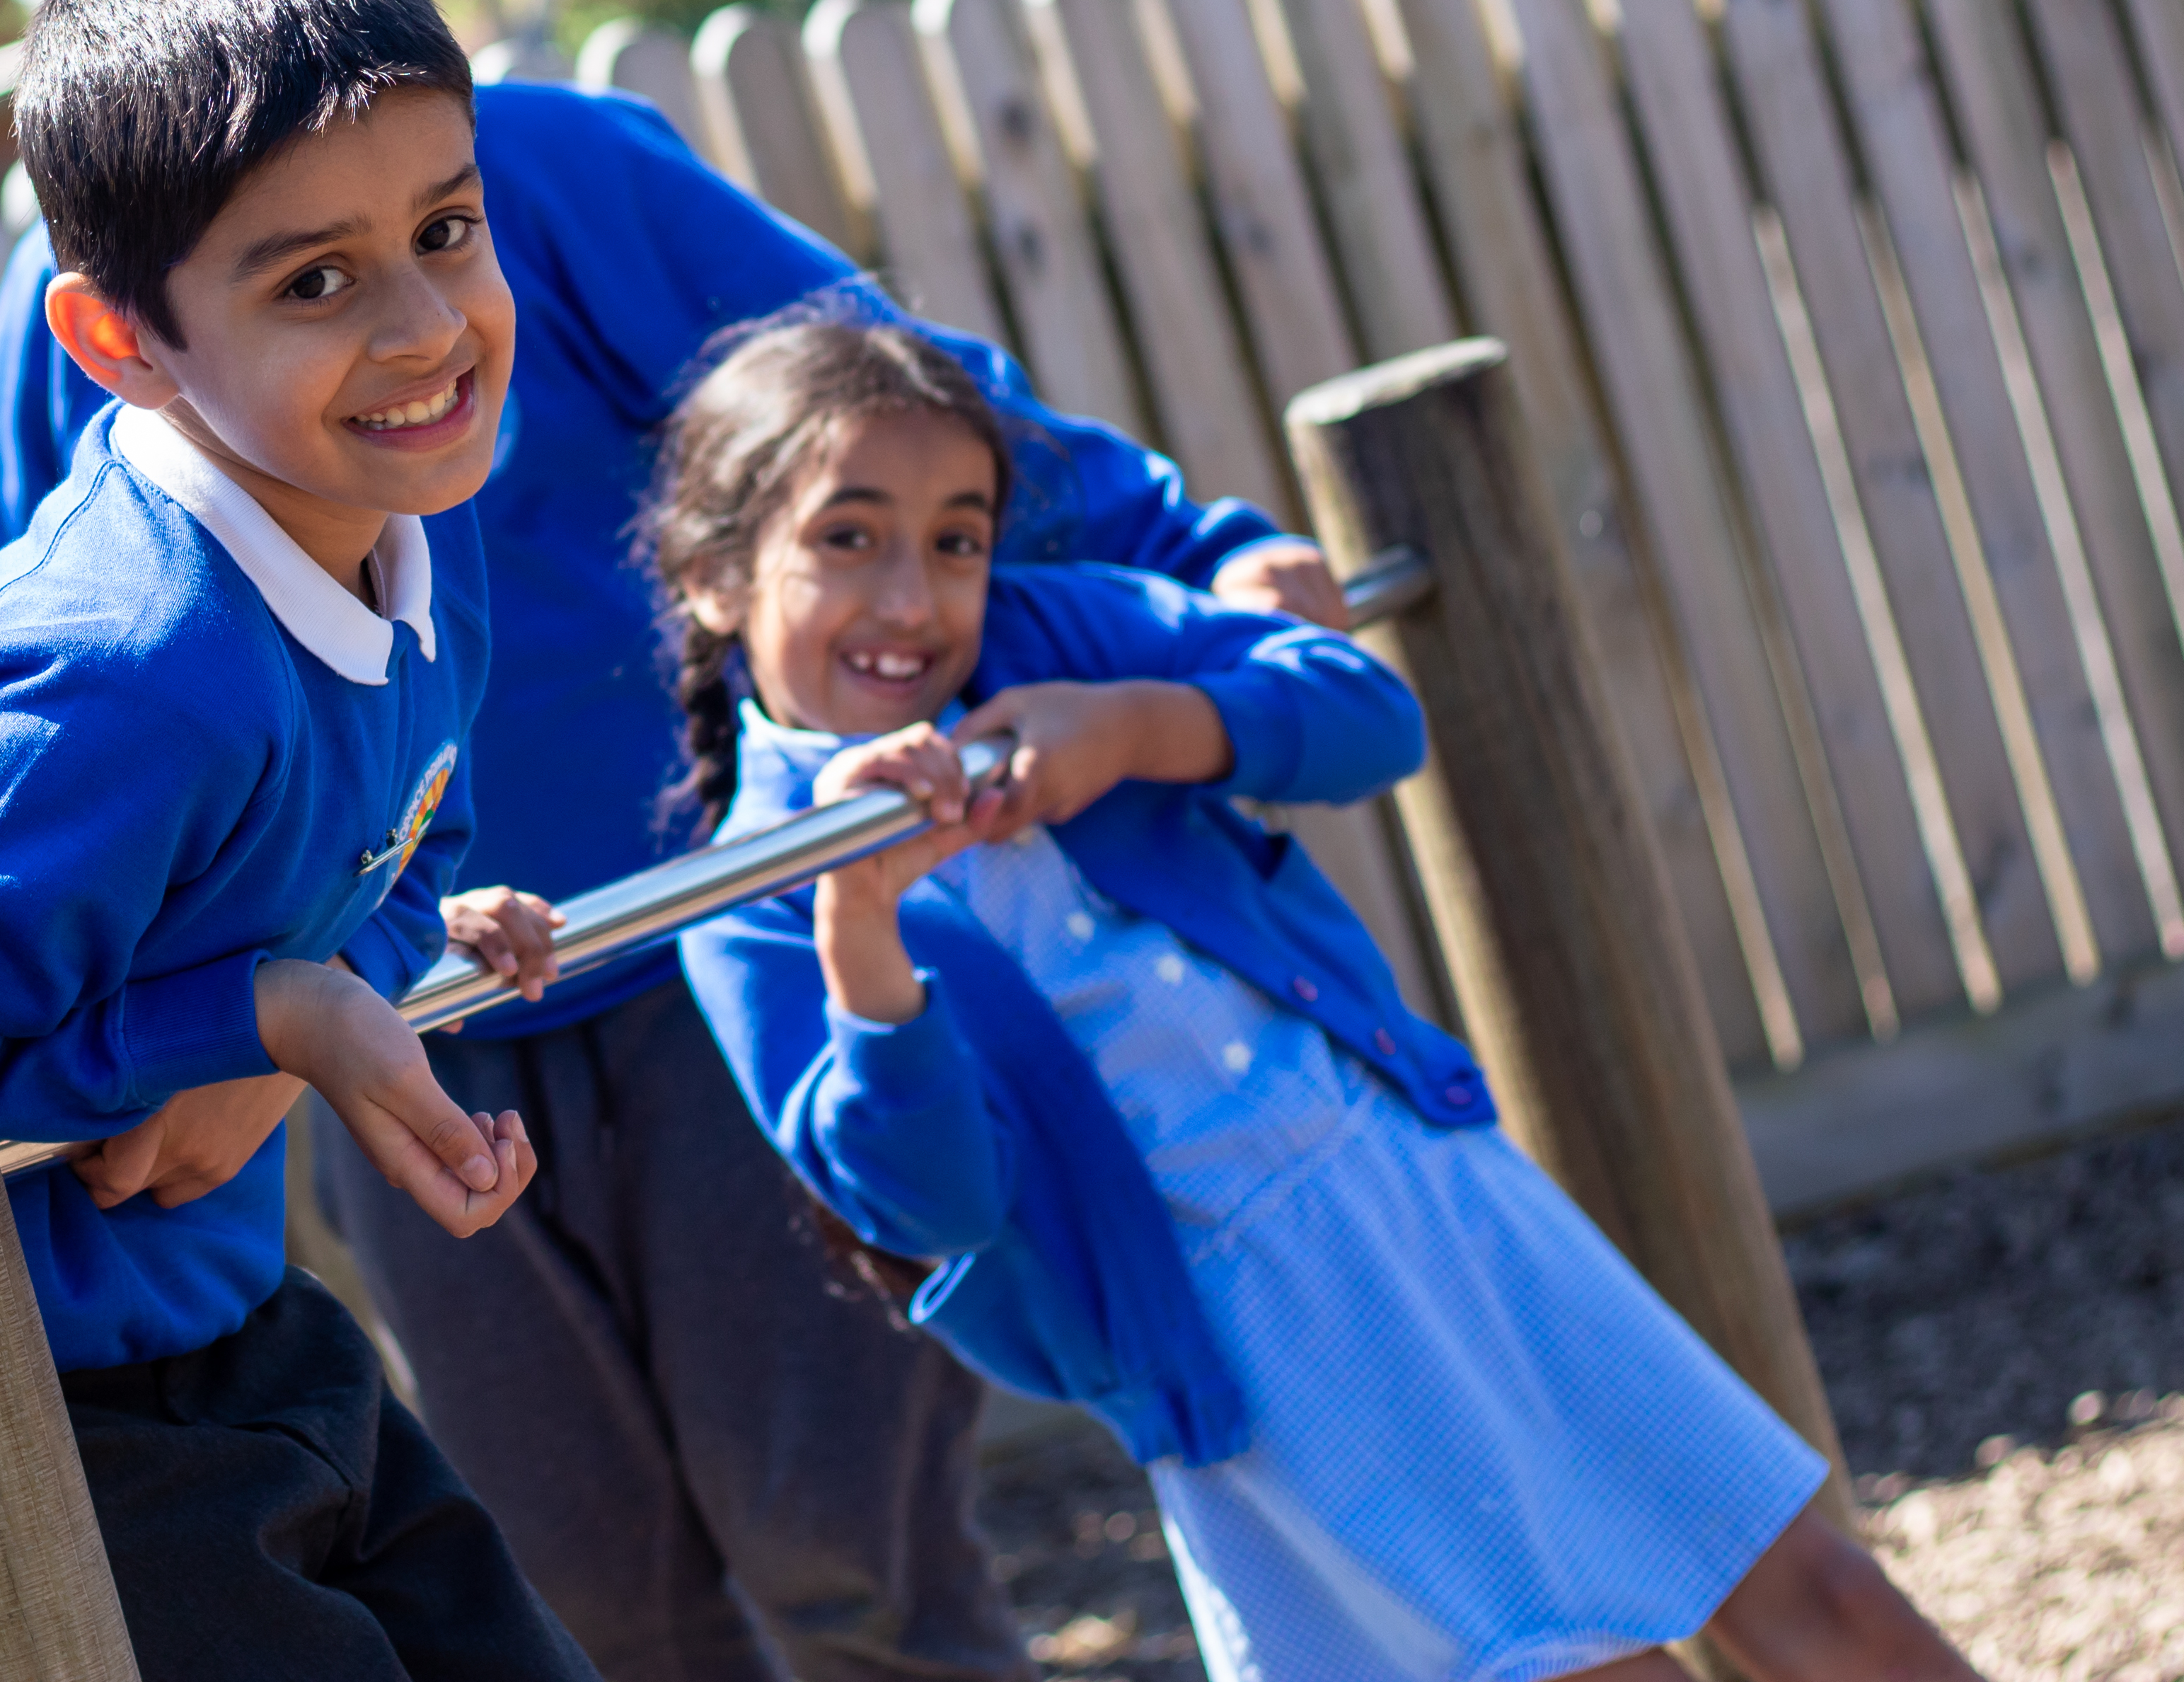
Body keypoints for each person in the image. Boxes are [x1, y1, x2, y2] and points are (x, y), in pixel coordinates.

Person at [0, 0, 1341, 1681]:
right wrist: (222, 1014)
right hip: (410, 1035)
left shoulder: (536, 191)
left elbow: (881, 396)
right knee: (587, 1603)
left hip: (708, 930)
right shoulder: (89, 383)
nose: (225, 64)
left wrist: (1198, 552)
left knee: (852, 1566)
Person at [656, 307, 1983, 1682]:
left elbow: (1359, 708)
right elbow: (934, 1205)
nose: (913, 600)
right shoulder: (749, 909)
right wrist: (861, 927)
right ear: (713, 571)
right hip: (1244, 1335)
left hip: (1428, 1185)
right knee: (1571, 1665)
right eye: (847, 537)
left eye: (959, 539)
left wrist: (1131, 729)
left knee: (1808, 1582)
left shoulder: (1057, 642)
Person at [0, 0, 596, 1682]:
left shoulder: (416, 529)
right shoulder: (121, 684)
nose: (430, 323)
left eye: (449, 229)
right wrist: (255, 1015)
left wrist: (329, 992)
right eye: (316, 281)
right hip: (17, 1432)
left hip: (235, 1329)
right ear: (120, 341)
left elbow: (404, 841)